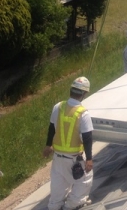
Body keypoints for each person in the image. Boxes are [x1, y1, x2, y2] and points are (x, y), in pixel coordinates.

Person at [43, 77, 94, 210]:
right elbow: (87, 138)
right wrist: (89, 159)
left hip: (58, 158)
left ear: (71, 90)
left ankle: (54, 206)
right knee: (85, 180)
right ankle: (72, 205)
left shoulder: (58, 107)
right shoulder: (83, 113)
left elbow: (51, 127)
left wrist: (48, 145)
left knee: (58, 184)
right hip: (73, 158)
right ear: (84, 94)